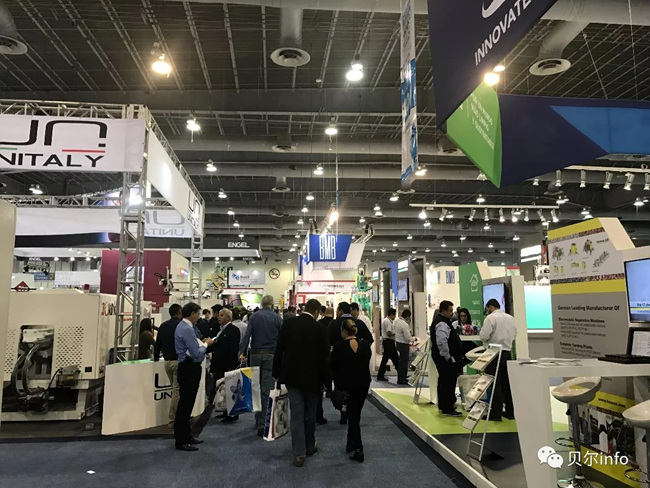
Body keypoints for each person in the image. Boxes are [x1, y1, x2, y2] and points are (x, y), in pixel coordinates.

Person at [273, 299, 330, 468]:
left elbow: (279, 350)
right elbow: (325, 358)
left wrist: (277, 373)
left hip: (292, 377)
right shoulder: (320, 329)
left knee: (296, 415)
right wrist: (327, 382)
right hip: (313, 379)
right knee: (310, 414)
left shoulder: (289, 325)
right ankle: (310, 445)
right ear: (317, 312)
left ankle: (299, 453)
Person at [239, 294, 282, 437]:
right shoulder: (277, 318)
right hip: (271, 355)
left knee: (255, 388)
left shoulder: (254, 317)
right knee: (267, 389)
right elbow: (281, 338)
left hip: (255, 354)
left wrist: (241, 352)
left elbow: (247, 336)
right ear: (272, 305)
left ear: (262, 304)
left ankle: (258, 420)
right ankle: (265, 422)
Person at [173, 302, 214, 451]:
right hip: (189, 368)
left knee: (187, 404)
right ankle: (181, 440)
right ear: (192, 314)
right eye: (197, 313)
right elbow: (196, 353)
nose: (199, 316)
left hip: (187, 367)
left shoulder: (185, 327)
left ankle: (186, 435)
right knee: (185, 405)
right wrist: (206, 345)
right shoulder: (187, 329)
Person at [331, 318, 371, 463]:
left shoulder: (339, 346)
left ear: (343, 331)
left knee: (352, 416)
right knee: (355, 413)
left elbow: (334, 366)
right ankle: (351, 443)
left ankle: (358, 448)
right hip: (363, 384)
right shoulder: (365, 345)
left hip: (347, 386)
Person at [480, 298, 517, 421]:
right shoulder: (511, 318)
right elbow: (515, 334)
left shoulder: (490, 318)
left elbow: (484, 336)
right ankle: (510, 411)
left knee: (494, 383)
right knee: (507, 383)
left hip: (493, 352)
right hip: (507, 353)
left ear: (490, 307)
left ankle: (496, 413)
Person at [431, 300, 464, 417]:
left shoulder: (442, 321)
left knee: (444, 380)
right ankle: (448, 407)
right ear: (444, 311)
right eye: (450, 311)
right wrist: (448, 357)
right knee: (448, 381)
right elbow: (441, 341)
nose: (451, 313)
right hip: (444, 357)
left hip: (441, 356)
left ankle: (444, 405)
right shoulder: (442, 323)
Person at [210, 308, 241, 423]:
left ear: (228, 317)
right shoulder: (221, 330)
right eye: (219, 315)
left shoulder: (233, 330)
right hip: (219, 364)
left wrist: (232, 366)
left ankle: (232, 414)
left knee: (230, 389)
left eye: (222, 315)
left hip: (227, 365)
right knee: (223, 389)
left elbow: (234, 349)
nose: (219, 317)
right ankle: (225, 411)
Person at [153, 304, 183, 424]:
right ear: (179, 312)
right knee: (177, 391)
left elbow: (157, 344)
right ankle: (173, 418)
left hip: (167, 362)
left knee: (175, 390)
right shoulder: (181, 325)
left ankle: (179, 416)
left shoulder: (163, 326)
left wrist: (155, 357)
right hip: (178, 362)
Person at [377, 308, 399, 382]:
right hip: (388, 342)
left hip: (388, 342)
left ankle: (401, 374)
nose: (395, 317)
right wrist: (396, 333)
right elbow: (389, 333)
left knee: (394, 359)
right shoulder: (388, 322)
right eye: (394, 315)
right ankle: (380, 375)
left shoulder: (387, 321)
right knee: (388, 359)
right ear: (392, 314)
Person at [394, 309, 413, 385]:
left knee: (401, 362)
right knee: (404, 362)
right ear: (408, 317)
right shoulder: (404, 324)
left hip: (398, 342)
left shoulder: (396, 321)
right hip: (404, 344)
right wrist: (413, 339)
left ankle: (402, 377)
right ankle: (402, 379)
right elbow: (407, 337)